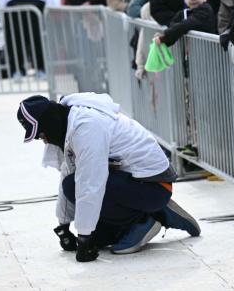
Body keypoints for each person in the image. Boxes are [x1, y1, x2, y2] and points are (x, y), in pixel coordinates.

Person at [16, 93, 201, 262]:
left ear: (49, 122)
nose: (45, 140)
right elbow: (68, 169)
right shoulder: (67, 121)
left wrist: (83, 239)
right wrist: (63, 226)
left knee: (77, 189)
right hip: (138, 182)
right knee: (92, 225)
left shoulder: (86, 127)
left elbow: (90, 184)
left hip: (154, 186)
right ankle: (153, 212)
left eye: (41, 134)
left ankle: (144, 220)